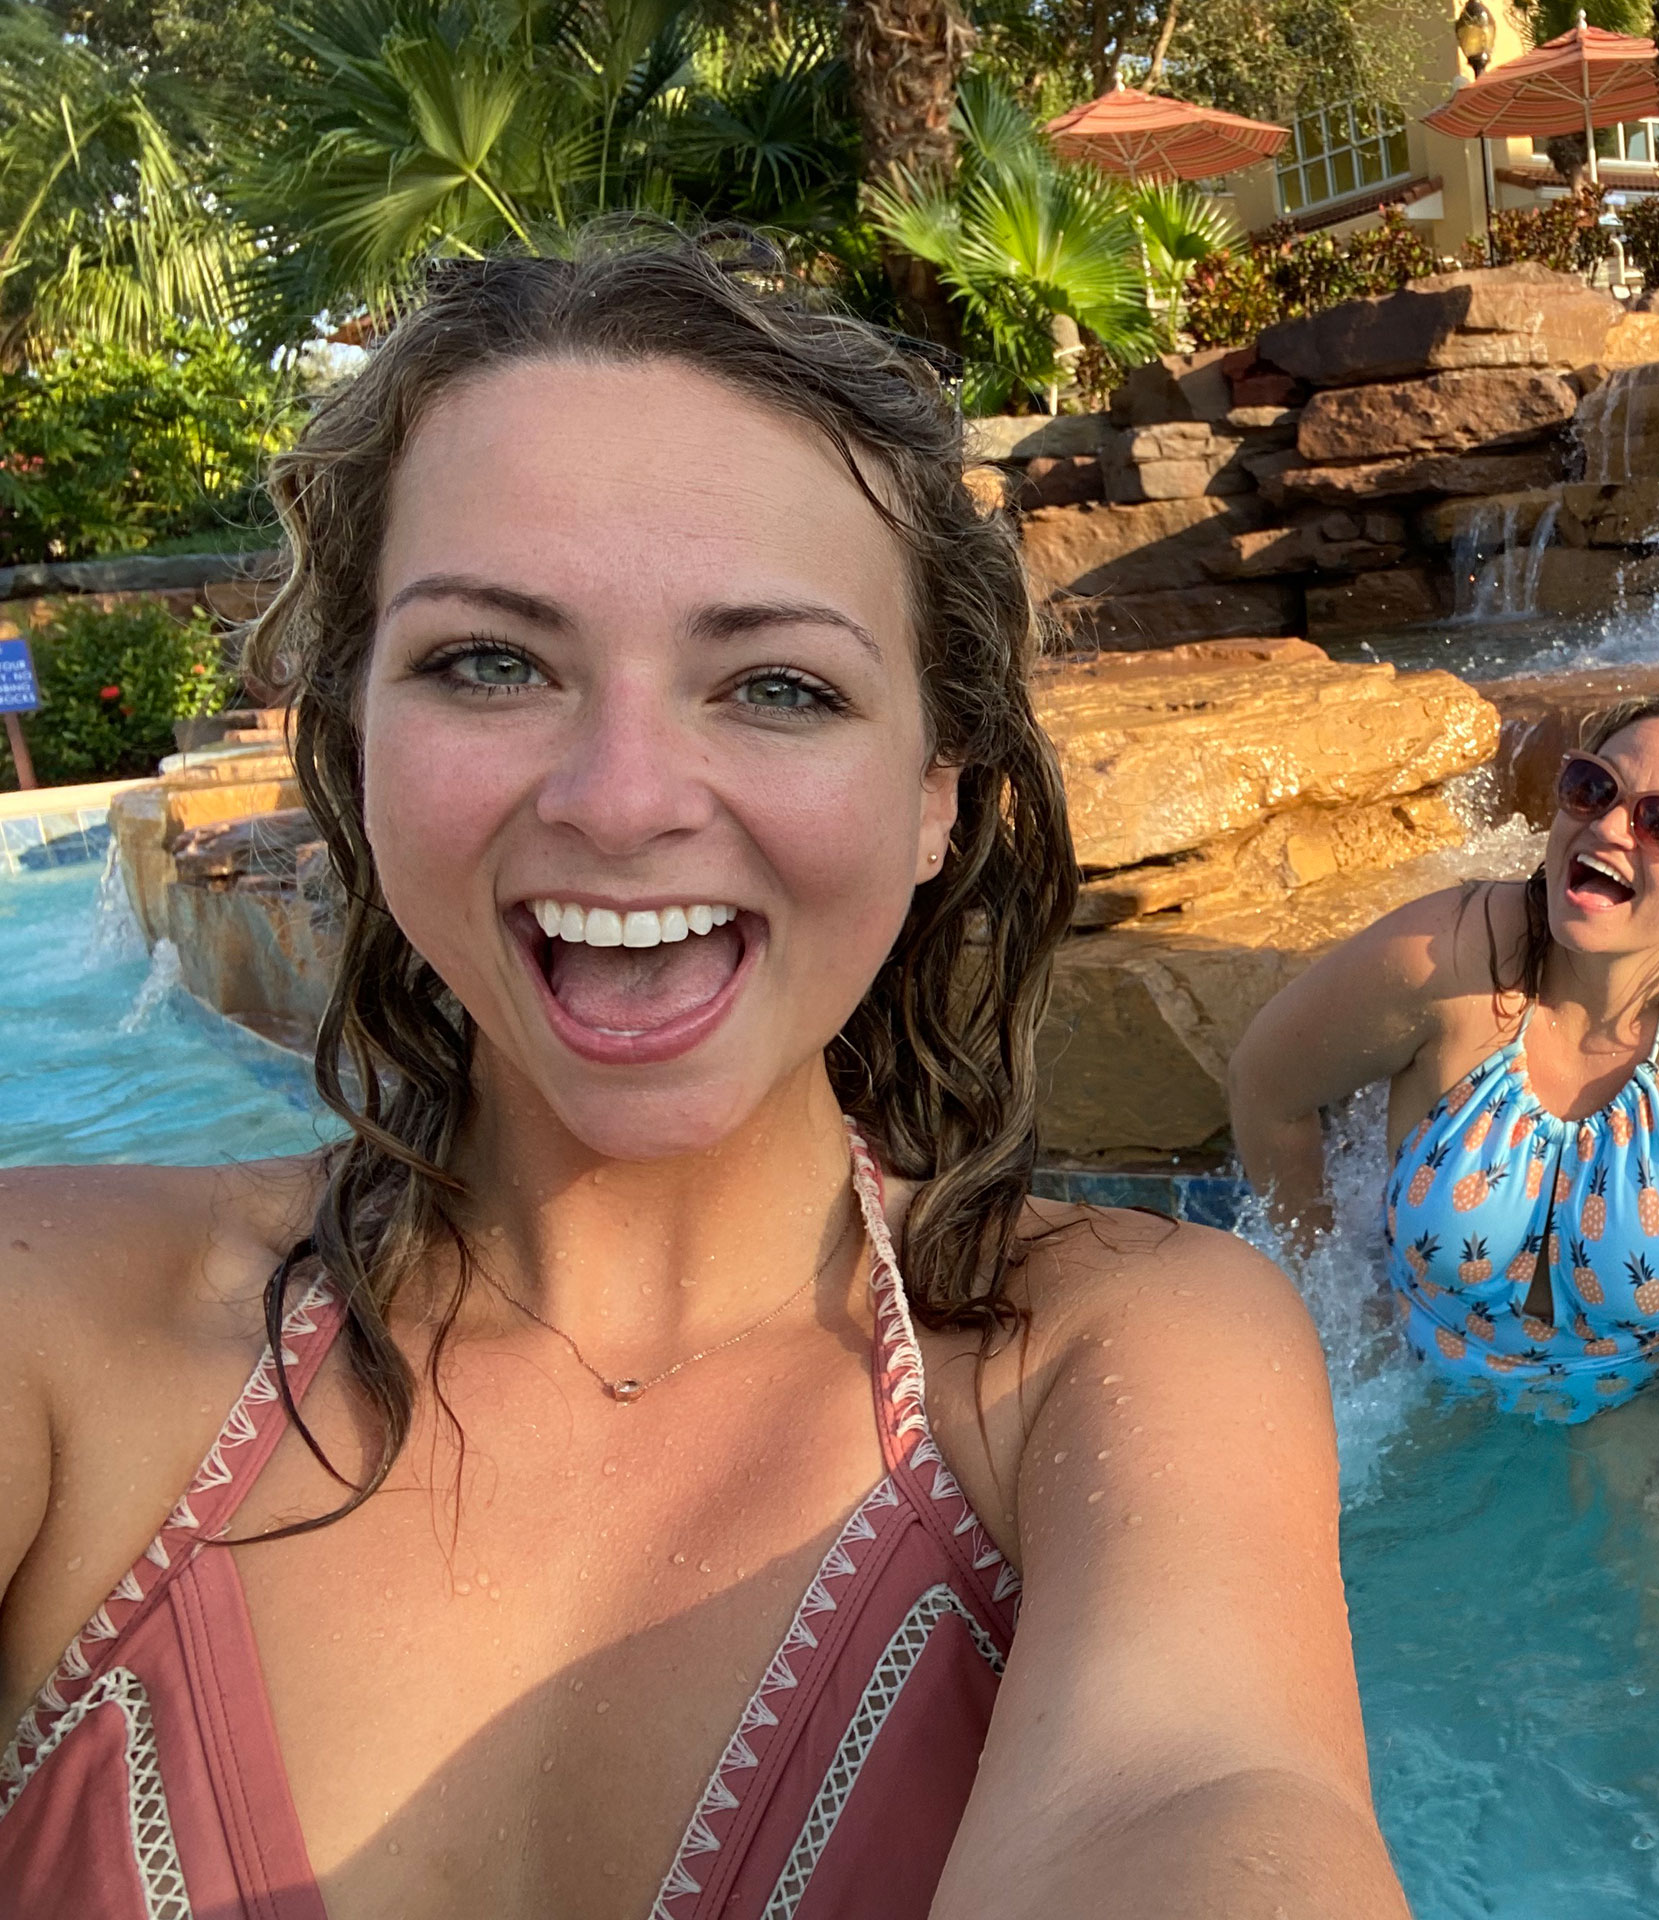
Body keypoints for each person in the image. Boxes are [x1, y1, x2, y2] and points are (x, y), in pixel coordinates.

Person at [0, 236, 1405, 1918]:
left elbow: (1203, 1797)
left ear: (936, 792)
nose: (623, 797)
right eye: (492, 662)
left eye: (779, 686)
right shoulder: (52, 1332)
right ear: (359, 732)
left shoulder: (1110, 1366)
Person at [1231, 695, 1659, 1911]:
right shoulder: (1451, 964)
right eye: (1590, 789)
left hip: (1631, 1410)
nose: (1611, 828)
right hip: (1411, 1394)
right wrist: (1333, 1302)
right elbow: (1267, 1083)